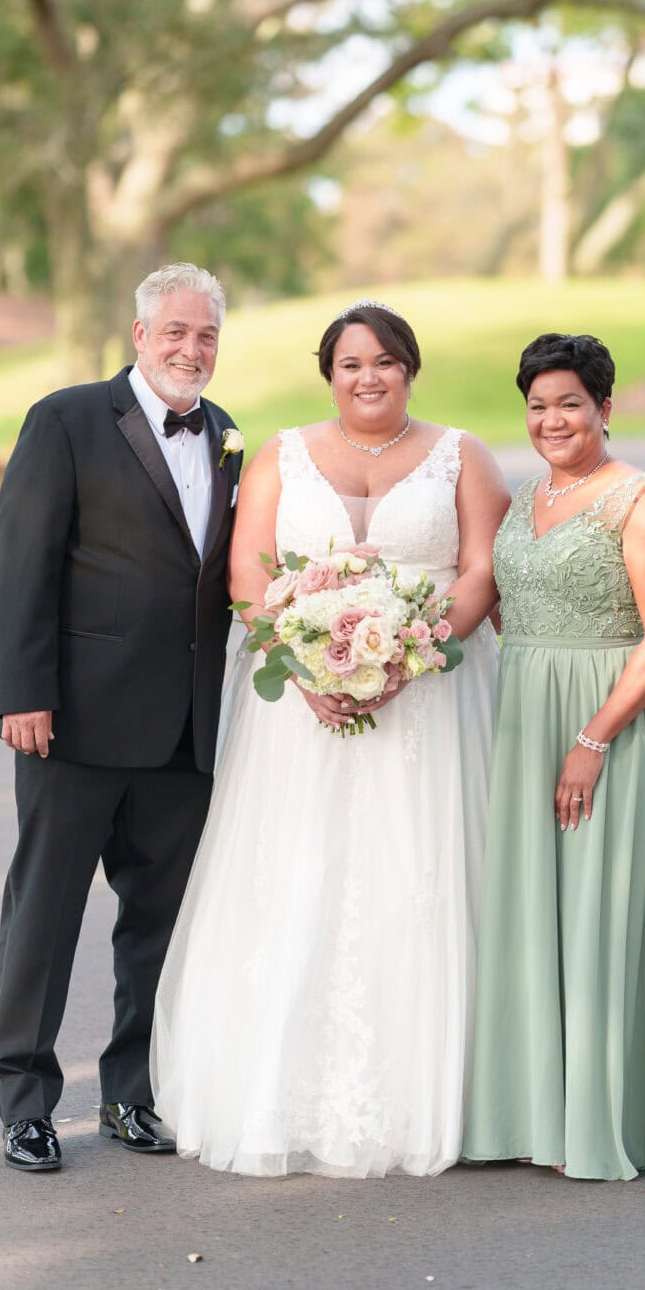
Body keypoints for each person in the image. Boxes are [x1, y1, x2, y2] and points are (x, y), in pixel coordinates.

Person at [151, 299, 510, 1177]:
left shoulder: (462, 454)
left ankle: (437, 1091)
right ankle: (277, 1088)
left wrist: (415, 655)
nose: (369, 377)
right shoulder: (281, 453)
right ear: (330, 374)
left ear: (410, 368)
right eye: (351, 364)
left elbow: (482, 568)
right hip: (299, 711)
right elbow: (247, 573)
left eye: (385, 360)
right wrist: (308, 668)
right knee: (296, 875)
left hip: (428, 702)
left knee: (418, 875)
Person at [0, 262, 242, 1172]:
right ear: (139, 335)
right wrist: (24, 692)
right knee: (46, 915)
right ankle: (24, 1099)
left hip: (185, 733)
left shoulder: (228, 438)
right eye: (175, 332)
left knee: (158, 923)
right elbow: (21, 563)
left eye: (206, 335)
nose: (191, 349)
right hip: (75, 723)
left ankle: (130, 1095)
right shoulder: (66, 419)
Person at [463, 332, 645, 1180]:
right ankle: (535, 1112)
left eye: (569, 403)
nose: (551, 420)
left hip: (610, 727)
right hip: (525, 715)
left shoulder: (639, 501)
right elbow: (509, 604)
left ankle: (610, 1116)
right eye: (538, 406)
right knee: (533, 914)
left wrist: (589, 739)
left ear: (605, 409)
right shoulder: (522, 500)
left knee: (600, 912)